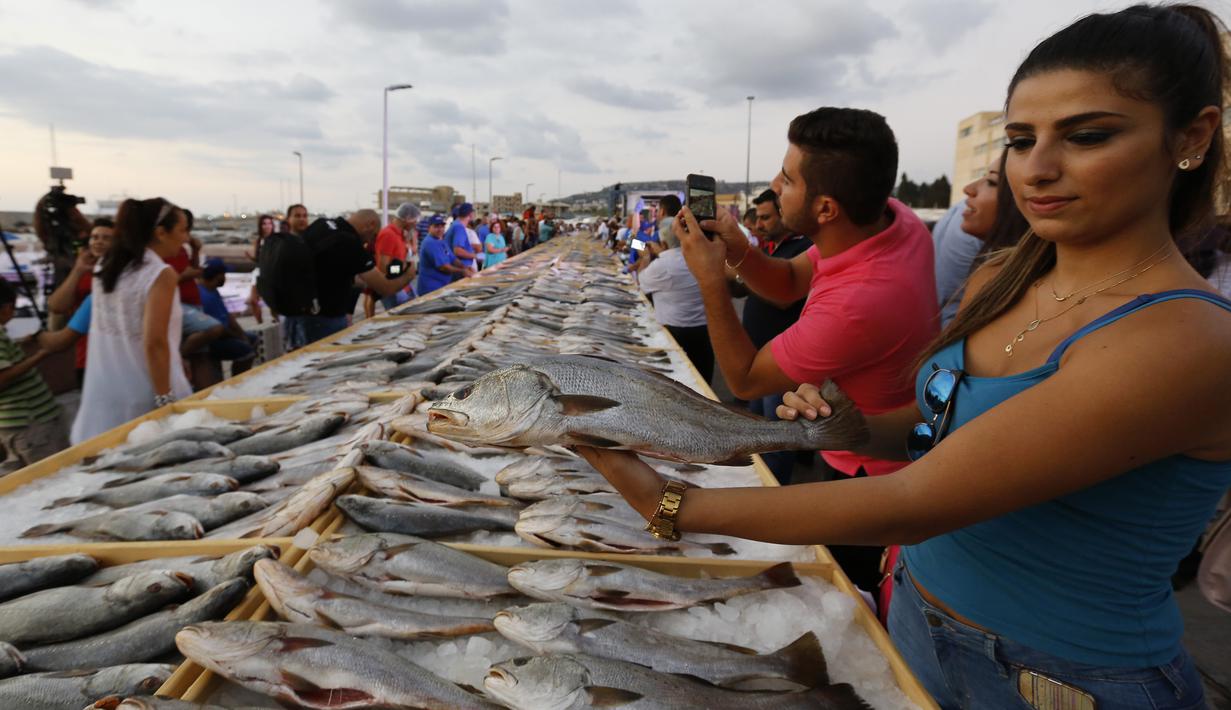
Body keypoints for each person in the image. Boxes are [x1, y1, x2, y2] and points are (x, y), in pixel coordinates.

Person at [582, 6, 1231, 708]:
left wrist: (672, 503)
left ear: (1189, 137)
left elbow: (913, 502)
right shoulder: (1004, 274)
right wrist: (853, 422)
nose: (1037, 169)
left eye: (1087, 136)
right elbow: (942, 429)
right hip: (914, 617)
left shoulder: (1183, 341)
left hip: (1061, 680)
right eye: (1019, 139)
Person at [645, 107, 943, 592]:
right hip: (863, 439)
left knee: (854, 589)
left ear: (826, 209)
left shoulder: (860, 303)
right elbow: (786, 283)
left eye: (787, 178)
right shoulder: (891, 220)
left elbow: (742, 379)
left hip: (875, 468)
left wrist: (710, 281)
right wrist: (738, 245)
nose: (774, 184)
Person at [72, 197, 194, 444]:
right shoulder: (159, 274)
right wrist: (165, 402)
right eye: (182, 230)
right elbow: (154, 342)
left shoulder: (106, 265)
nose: (186, 238)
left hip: (105, 392)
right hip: (145, 394)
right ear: (161, 232)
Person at [741, 189, 812, 484]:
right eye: (757, 218)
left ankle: (774, 493)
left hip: (781, 365)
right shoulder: (772, 247)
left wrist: (741, 275)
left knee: (778, 438)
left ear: (786, 213)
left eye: (766, 217)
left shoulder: (803, 249)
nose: (759, 225)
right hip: (761, 356)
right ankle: (759, 482)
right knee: (756, 431)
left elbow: (783, 297)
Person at [285, 209, 415, 348]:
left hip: (297, 312)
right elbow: (385, 287)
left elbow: (327, 269)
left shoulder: (322, 224)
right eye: (374, 235)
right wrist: (409, 274)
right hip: (325, 319)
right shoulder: (351, 243)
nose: (370, 241)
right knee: (325, 364)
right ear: (370, 225)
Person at [638, 196, 714, 383]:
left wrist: (647, 257)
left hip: (675, 333)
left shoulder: (662, 261)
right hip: (703, 332)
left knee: (675, 384)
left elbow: (640, 282)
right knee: (702, 385)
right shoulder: (701, 257)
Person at [0, 280, 67, 473]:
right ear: (6, 308)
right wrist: (41, 355)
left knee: (26, 479)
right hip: (30, 422)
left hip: (14, 424)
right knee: (51, 478)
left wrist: (22, 344)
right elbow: (2, 378)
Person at [46, 217, 112, 385]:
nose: (99, 242)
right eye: (95, 237)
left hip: (112, 355)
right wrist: (77, 270)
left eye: (106, 238)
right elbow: (56, 306)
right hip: (86, 355)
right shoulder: (83, 271)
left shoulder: (122, 274)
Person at [197, 259, 256, 375]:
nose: (226, 277)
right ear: (218, 276)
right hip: (211, 340)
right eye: (224, 274)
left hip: (222, 333)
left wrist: (242, 335)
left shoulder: (213, 290)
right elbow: (220, 329)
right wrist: (240, 338)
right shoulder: (206, 297)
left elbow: (228, 318)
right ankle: (237, 383)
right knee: (246, 352)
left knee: (252, 339)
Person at [375, 203, 419, 310]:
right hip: (392, 287)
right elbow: (382, 267)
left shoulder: (400, 234)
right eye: (415, 220)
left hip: (402, 285)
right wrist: (404, 268)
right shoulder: (388, 234)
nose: (416, 224)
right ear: (407, 218)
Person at [418, 215, 465, 294]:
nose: (440, 229)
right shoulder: (430, 243)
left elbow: (453, 258)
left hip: (442, 286)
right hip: (431, 289)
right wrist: (462, 271)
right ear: (429, 228)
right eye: (436, 226)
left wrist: (465, 266)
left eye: (442, 226)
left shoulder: (441, 240)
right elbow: (443, 267)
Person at [245, 214, 276, 324]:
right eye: (264, 224)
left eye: (269, 223)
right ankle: (260, 324)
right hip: (259, 271)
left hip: (271, 273)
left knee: (273, 302)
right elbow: (257, 259)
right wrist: (250, 257)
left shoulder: (276, 240)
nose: (267, 226)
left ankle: (276, 322)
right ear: (260, 226)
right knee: (253, 300)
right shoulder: (258, 241)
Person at [445, 203, 478, 277]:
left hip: (460, 267)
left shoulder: (455, 225)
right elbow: (457, 251)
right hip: (460, 271)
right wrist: (475, 256)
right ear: (470, 214)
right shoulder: (459, 227)